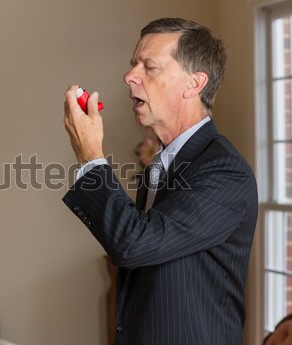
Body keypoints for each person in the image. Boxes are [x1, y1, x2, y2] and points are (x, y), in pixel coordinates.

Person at [62, 18, 258, 345]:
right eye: (132, 65)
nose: (129, 76)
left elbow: (133, 244)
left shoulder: (225, 171)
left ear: (194, 84)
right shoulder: (162, 163)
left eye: (149, 67)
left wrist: (90, 155)